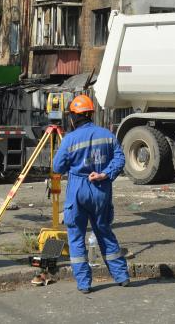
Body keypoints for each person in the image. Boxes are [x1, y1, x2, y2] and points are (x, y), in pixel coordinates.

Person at [52, 94, 130, 294]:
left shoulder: (69, 139)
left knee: (76, 235)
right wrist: (105, 173)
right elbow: (120, 159)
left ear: (74, 117)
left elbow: (58, 167)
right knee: (103, 230)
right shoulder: (107, 135)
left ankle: (84, 284)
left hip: (78, 188)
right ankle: (121, 276)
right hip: (101, 187)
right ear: (90, 114)